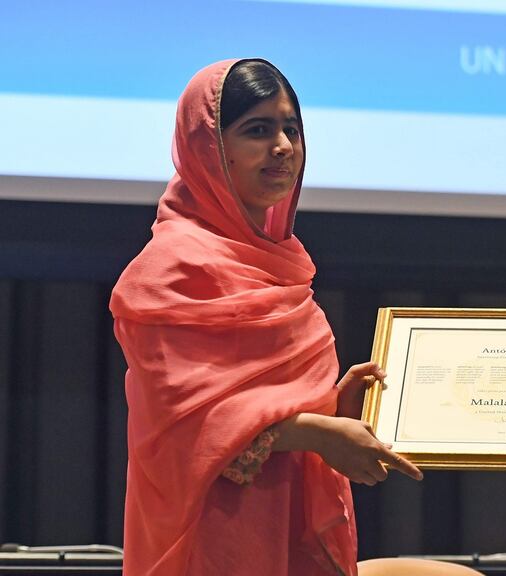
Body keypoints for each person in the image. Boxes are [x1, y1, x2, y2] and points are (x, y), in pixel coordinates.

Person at [110, 59, 422, 575]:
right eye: (257, 130)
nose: (283, 147)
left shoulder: (284, 263)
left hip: (287, 518)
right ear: (209, 147)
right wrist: (316, 433)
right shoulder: (169, 269)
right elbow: (190, 431)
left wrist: (332, 408)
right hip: (211, 535)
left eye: (291, 129)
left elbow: (262, 409)